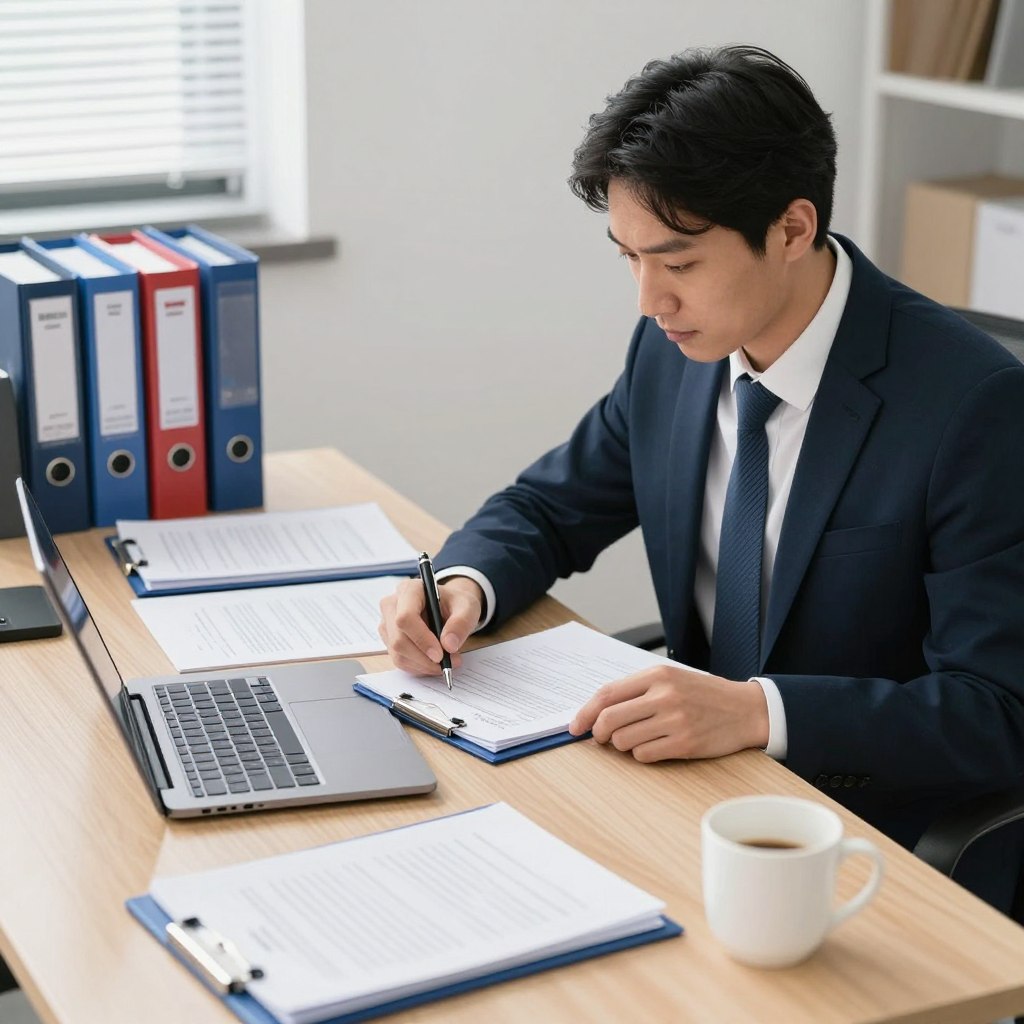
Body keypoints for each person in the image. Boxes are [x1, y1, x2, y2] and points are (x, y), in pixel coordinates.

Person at [377, 45, 1024, 913]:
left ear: (793, 230)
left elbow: (996, 712)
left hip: (857, 849)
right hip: (683, 799)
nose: (650, 299)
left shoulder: (970, 406)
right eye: (628, 258)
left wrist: (760, 712)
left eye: (678, 263)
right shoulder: (675, 352)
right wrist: (462, 582)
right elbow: (552, 504)